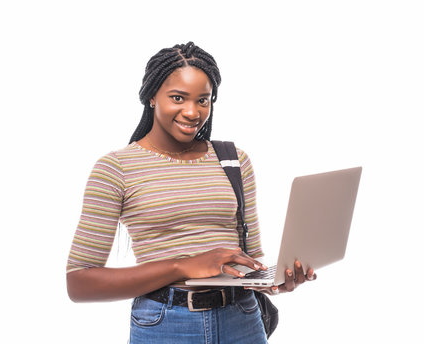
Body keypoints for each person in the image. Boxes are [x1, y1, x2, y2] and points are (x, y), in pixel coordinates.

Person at [66, 42, 316, 343]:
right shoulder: (116, 168)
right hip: (165, 324)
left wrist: (274, 281)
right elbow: (79, 282)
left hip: (242, 319)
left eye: (203, 100)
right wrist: (183, 266)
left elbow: (250, 257)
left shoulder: (233, 160)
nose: (192, 112)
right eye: (178, 98)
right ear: (151, 97)